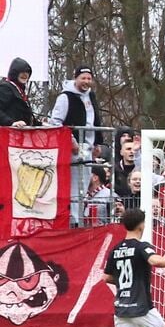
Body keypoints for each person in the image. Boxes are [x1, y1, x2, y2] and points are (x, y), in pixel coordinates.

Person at [50, 66, 105, 226]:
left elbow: (95, 120)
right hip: (72, 148)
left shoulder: (91, 96)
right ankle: (73, 220)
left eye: (89, 78)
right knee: (73, 184)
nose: (86, 81)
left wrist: (98, 142)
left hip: (87, 148)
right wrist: (70, 140)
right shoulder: (65, 97)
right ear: (76, 78)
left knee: (84, 183)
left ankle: (79, 216)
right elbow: (56, 121)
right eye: (83, 78)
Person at [0, 58, 36, 127]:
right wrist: (12, 123)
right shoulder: (5, 88)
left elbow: (25, 116)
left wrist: (40, 124)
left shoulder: (21, 91)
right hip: (8, 134)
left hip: (21, 135)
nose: (25, 75)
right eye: (22, 72)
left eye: (27, 72)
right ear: (14, 73)